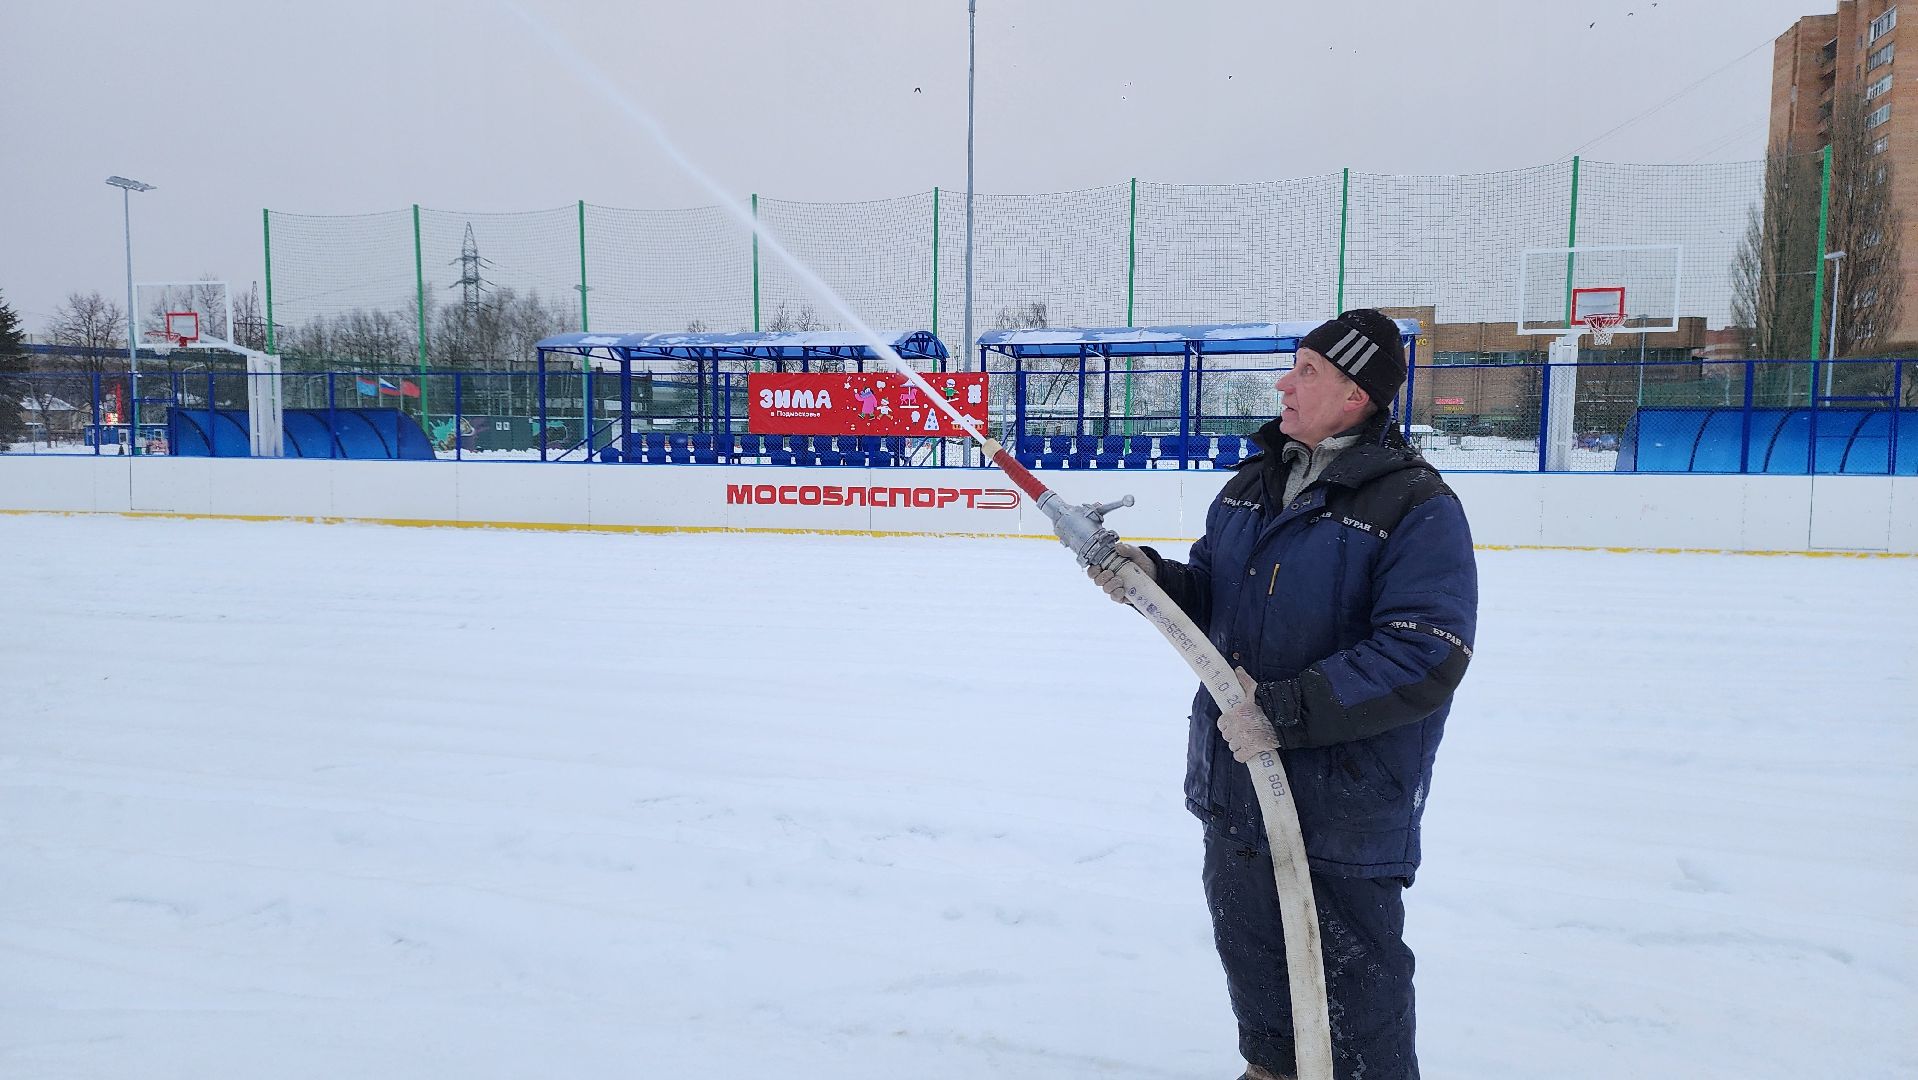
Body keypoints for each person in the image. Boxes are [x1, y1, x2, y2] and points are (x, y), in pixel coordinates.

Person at [1090, 309, 1478, 1080]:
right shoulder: (1250, 486)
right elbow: (1217, 597)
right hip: (1239, 787)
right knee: (1262, 981)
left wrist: (1285, 708)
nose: (1283, 384)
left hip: (1342, 800)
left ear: (1356, 395)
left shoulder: (1413, 506)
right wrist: (1153, 578)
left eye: (1306, 370)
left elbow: (1427, 650)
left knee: (1354, 1009)